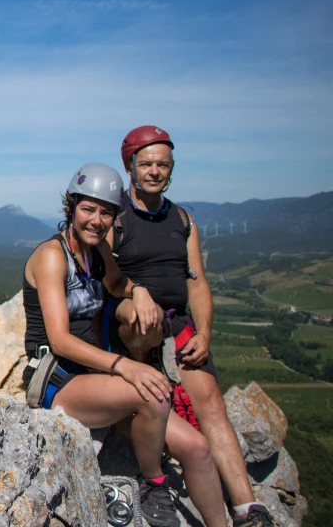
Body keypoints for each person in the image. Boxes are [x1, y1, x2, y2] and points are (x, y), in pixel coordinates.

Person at [23, 162, 227, 527]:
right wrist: (125, 365)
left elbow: (118, 285)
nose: (96, 220)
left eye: (106, 212)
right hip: (60, 381)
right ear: (71, 207)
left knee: (197, 448)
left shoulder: (96, 251)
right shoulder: (53, 256)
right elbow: (60, 340)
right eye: (88, 209)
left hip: (98, 377)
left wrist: (140, 290)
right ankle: (153, 481)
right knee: (154, 394)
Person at [105, 125, 275, 527]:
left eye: (162, 164)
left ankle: (248, 509)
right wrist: (137, 292)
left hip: (178, 324)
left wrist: (205, 333)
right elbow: (105, 278)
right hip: (133, 321)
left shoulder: (183, 221)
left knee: (212, 405)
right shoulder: (116, 217)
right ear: (129, 167)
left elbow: (196, 282)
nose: (154, 171)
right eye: (146, 163)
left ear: (171, 168)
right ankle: (145, 378)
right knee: (138, 317)